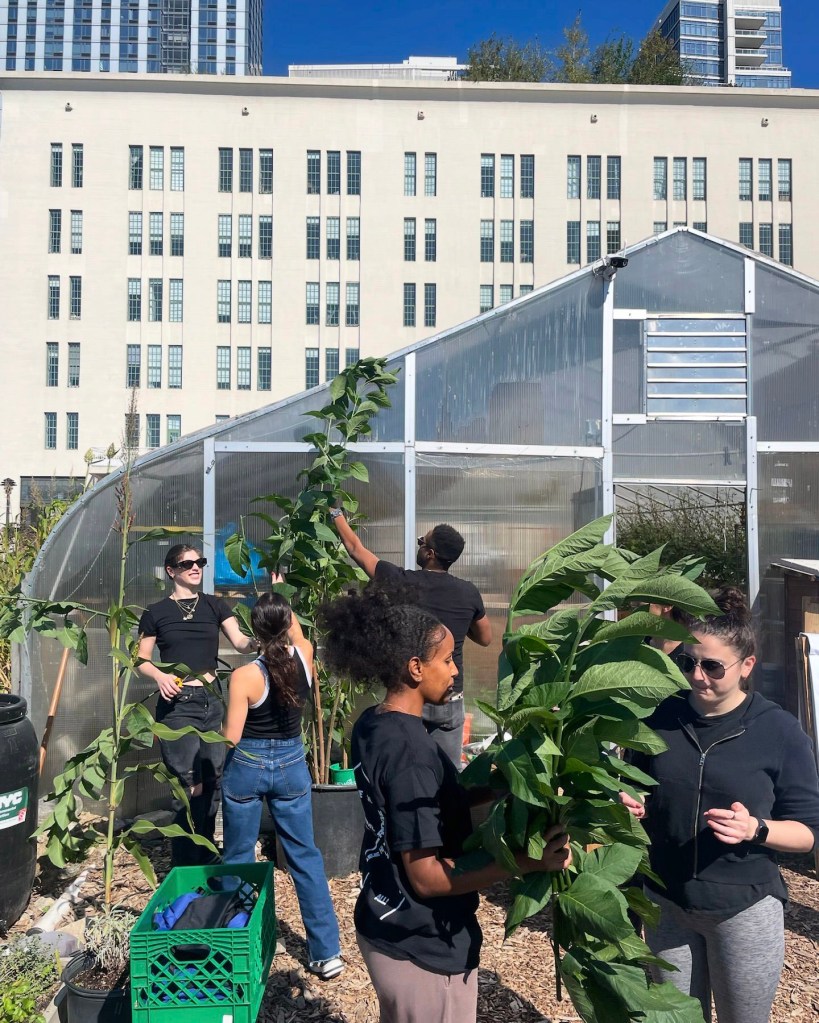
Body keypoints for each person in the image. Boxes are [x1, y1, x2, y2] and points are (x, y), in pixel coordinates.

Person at [319, 589, 571, 1023]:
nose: (455, 671)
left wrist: (503, 785)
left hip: (384, 914)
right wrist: (526, 863)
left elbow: (431, 803)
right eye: (448, 660)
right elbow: (428, 878)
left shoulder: (374, 722)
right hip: (422, 945)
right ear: (415, 668)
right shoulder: (411, 753)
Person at [619, 586, 819, 1023]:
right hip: (667, 902)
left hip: (742, 909)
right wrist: (634, 803)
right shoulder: (660, 718)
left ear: (747, 666)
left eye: (712, 666)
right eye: (688, 662)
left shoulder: (779, 733)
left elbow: (809, 832)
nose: (697, 676)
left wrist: (757, 829)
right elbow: (638, 784)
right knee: (674, 1019)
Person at [221, 592, 343, 981]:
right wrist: (283, 598)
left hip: (248, 766)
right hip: (292, 766)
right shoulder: (305, 658)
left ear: (255, 631)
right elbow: (298, 632)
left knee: (239, 855)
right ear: (288, 622)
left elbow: (231, 737)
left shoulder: (244, 677)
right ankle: (327, 954)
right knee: (305, 856)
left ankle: (237, 947)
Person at [330, 506, 491, 768]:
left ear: (430, 553)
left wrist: (335, 513)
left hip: (411, 693)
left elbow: (355, 549)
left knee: (406, 768)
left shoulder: (402, 582)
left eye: (421, 542)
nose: (419, 545)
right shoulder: (468, 592)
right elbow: (485, 637)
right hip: (448, 696)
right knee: (446, 776)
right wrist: (460, 621)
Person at [137, 543, 258, 866]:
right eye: (187, 563)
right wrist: (160, 677)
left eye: (200, 562)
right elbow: (141, 659)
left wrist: (263, 639)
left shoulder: (215, 606)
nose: (196, 567)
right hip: (178, 704)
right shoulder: (156, 612)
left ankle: (206, 852)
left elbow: (241, 642)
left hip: (211, 700)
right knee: (187, 783)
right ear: (171, 570)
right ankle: (185, 862)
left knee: (213, 778)